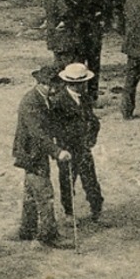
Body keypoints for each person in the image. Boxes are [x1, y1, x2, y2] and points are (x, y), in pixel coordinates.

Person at [14, 66, 72, 248]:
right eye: (53, 84)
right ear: (43, 84)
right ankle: (48, 235)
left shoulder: (43, 98)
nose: (56, 88)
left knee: (31, 192)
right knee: (45, 194)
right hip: (32, 154)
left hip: (34, 153)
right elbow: (38, 134)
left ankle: (27, 229)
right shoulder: (31, 102)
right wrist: (57, 151)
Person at [52, 62, 103, 225]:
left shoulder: (85, 98)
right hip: (67, 149)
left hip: (84, 147)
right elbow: (56, 127)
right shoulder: (59, 101)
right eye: (79, 84)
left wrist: (92, 137)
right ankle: (69, 213)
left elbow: (93, 121)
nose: (82, 87)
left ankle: (97, 210)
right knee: (67, 182)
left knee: (91, 180)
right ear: (70, 83)